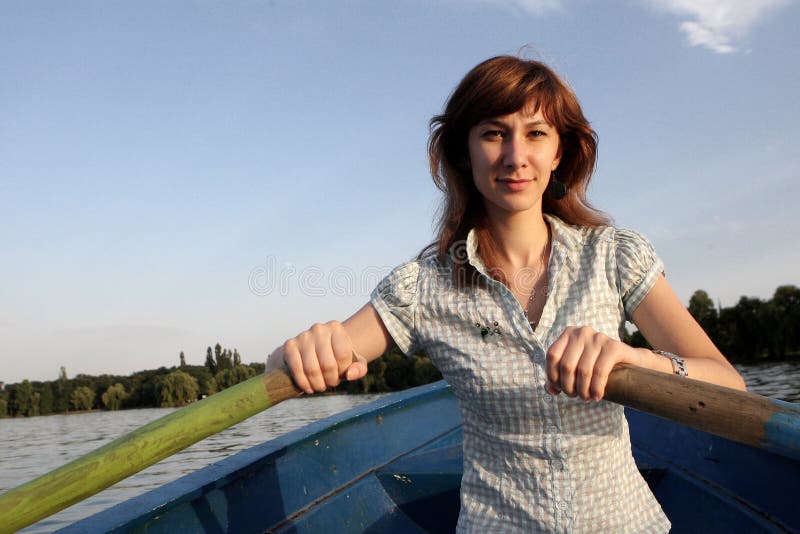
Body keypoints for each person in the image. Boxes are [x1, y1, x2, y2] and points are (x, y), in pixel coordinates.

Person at [267, 55, 746, 532]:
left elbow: (728, 386)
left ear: (559, 151)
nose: (516, 156)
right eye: (494, 133)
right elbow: (294, 366)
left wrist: (637, 360)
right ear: (464, 152)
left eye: (536, 133)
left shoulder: (614, 256)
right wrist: (303, 353)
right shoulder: (423, 286)